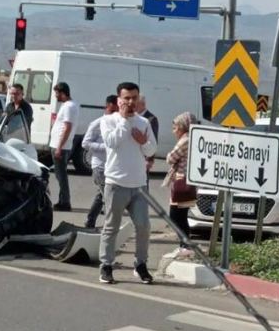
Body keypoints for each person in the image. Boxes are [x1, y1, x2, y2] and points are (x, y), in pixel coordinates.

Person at [99, 81, 157, 285]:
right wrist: (124, 121)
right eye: (127, 98)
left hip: (139, 184)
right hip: (116, 182)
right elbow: (112, 142)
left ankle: (140, 264)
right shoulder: (108, 121)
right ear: (119, 100)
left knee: (143, 226)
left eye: (134, 98)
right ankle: (106, 265)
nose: (131, 102)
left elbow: (151, 151)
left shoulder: (144, 122)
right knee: (111, 227)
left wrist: (144, 142)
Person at [82, 95, 118, 229]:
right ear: (106, 107)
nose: (114, 114)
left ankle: (90, 222)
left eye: (117, 111)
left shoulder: (119, 124)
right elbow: (85, 143)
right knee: (109, 198)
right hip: (100, 166)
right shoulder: (97, 123)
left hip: (113, 166)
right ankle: (110, 227)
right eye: (112, 111)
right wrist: (105, 147)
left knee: (101, 195)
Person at [164, 112, 198, 252]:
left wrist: (169, 155)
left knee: (176, 215)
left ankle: (185, 244)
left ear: (182, 127)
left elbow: (170, 158)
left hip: (182, 182)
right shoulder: (192, 138)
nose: (173, 131)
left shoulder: (186, 140)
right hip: (185, 181)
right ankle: (185, 244)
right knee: (180, 215)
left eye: (175, 128)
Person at [50, 82, 79, 212]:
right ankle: (63, 200)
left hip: (61, 146)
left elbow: (67, 128)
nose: (55, 95)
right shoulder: (67, 105)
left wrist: (59, 147)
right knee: (59, 174)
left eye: (56, 93)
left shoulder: (69, 107)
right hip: (59, 145)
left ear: (62, 93)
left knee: (61, 175)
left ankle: (65, 202)